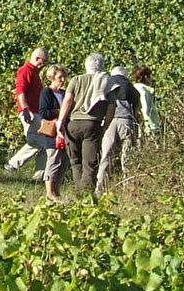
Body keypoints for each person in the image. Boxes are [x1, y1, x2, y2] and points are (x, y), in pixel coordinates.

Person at [56, 53, 111, 197]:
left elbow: (67, 100)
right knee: (90, 161)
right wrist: (106, 125)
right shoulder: (106, 81)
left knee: (75, 161)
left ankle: (79, 190)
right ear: (101, 66)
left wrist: (60, 121)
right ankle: (86, 194)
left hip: (73, 123)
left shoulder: (76, 80)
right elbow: (112, 106)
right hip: (92, 123)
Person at [3, 48, 50, 174]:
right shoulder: (25, 71)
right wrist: (25, 109)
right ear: (37, 58)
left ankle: (40, 175)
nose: (44, 65)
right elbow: (20, 91)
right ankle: (13, 164)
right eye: (43, 61)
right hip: (30, 113)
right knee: (39, 141)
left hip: (36, 112)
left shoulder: (34, 73)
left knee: (45, 143)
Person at [98, 66, 143, 197]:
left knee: (106, 155)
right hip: (126, 121)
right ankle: (128, 187)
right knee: (127, 155)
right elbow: (136, 109)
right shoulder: (132, 88)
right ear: (125, 75)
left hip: (109, 122)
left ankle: (100, 188)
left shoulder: (106, 83)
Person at [37, 65, 70, 200]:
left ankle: (57, 191)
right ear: (52, 77)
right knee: (53, 160)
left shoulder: (64, 93)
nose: (62, 80)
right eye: (59, 77)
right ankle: (49, 192)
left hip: (64, 131)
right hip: (52, 133)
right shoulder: (46, 92)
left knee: (63, 162)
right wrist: (61, 111)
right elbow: (43, 112)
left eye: (64, 77)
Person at [131, 65, 159, 140]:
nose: (151, 79)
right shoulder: (143, 91)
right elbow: (145, 109)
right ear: (146, 77)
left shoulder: (132, 89)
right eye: (150, 77)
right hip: (148, 128)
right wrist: (149, 126)